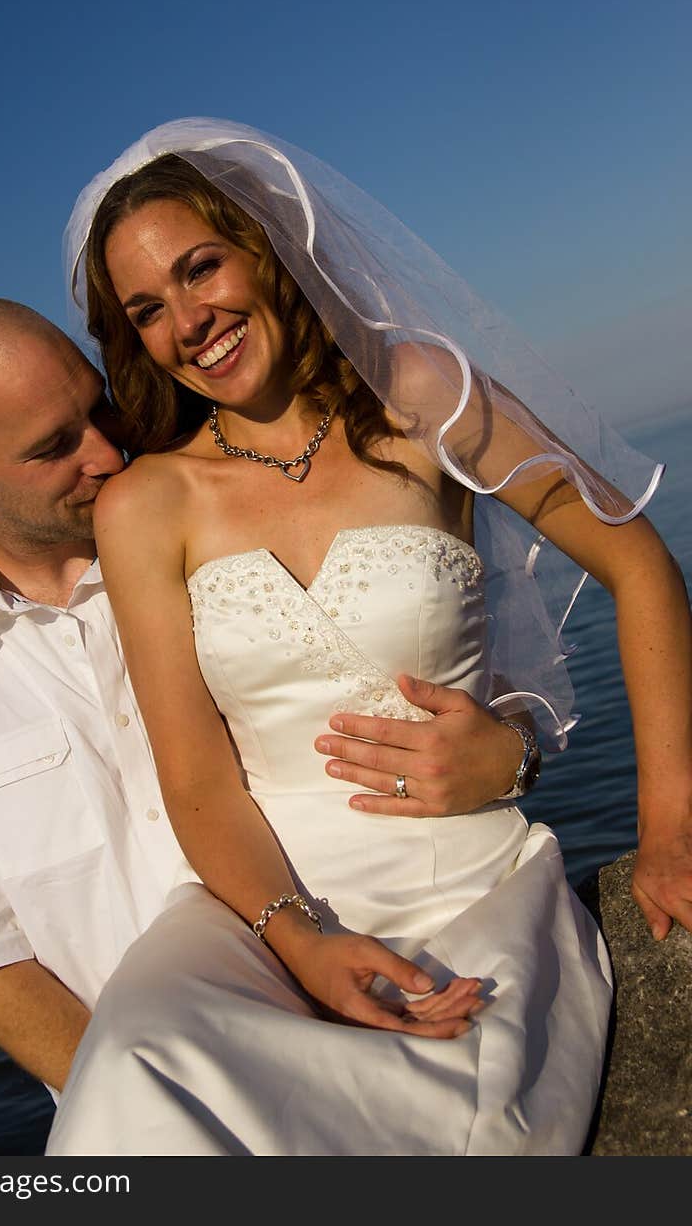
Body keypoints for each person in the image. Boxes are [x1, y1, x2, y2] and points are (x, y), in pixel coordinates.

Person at [45, 118, 691, 1156]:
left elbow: (637, 561)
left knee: (464, 1115)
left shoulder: (420, 394)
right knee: (136, 1070)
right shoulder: (145, 505)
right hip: (261, 912)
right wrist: (302, 943)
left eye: (200, 267)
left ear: (264, 244)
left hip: (465, 881)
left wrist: (667, 825)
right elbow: (198, 778)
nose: (188, 321)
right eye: (147, 311)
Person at [0, 298, 523, 1103]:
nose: (104, 452)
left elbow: (448, 689)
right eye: (53, 449)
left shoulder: (212, 529)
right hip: (179, 1093)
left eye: (97, 407)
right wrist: (136, 1109)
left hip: (382, 966)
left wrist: (515, 758)